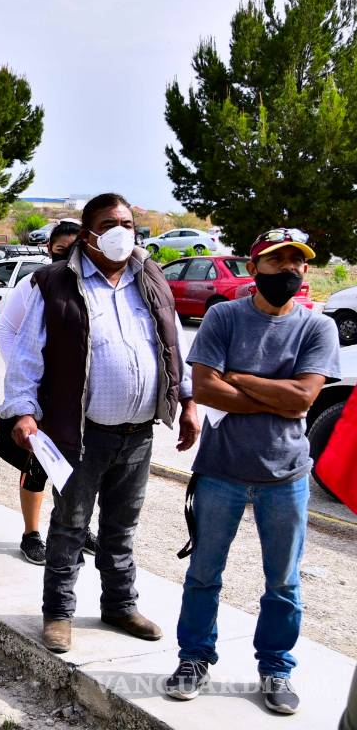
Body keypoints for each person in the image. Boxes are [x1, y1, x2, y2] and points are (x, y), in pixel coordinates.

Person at [0, 192, 200, 655]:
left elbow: (173, 344)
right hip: (79, 434)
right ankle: (59, 613)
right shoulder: (53, 282)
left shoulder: (149, 278)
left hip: (138, 434)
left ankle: (119, 604)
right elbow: (27, 356)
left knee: (121, 527)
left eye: (128, 223)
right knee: (70, 525)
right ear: (89, 233)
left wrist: (186, 400)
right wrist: (24, 412)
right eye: (111, 223)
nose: (122, 232)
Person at [163, 228, 340, 715]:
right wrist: (271, 392)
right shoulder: (223, 316)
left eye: (296, 262)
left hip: (286, 475)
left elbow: (304, 399)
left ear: (305, 269)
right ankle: (193, 659)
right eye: (276, 261)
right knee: (203, 574)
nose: (287, 270)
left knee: (283, 581)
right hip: (221, 469)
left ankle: (276, 668)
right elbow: (206, 389)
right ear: (254, 267)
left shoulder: (316, 328)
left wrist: (236, 376)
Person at [0, 221, 83, 566]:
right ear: (49, 249)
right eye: (61, 249)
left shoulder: (91, 285)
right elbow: (6, 328)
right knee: (37, 465)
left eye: (74, 249)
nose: (67, 256)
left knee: (80, 467)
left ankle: (79, 525)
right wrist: (22, 379)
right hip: (43, 397)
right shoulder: (36, 283)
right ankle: (31, 533)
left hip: (79, 399)